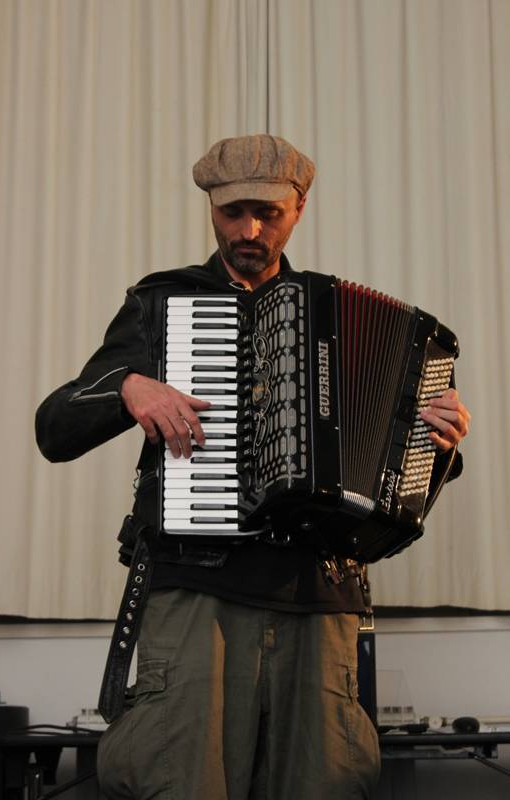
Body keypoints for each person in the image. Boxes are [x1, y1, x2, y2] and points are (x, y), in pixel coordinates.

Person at [35, 134, 471, 800]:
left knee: (322, 783)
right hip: (198, 590)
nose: (249, 229)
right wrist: (128, 385)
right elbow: (55, 427)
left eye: (268, 213)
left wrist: (435, 443)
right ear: (211, 207)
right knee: (182, 780)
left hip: (318, 595)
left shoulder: (332, 311)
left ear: (298, 208)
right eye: (232, 212)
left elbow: (393, 477)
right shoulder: (165, 303)